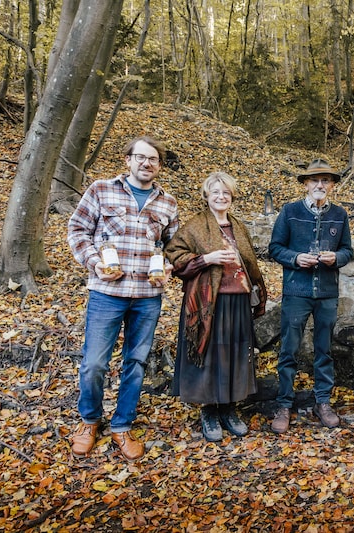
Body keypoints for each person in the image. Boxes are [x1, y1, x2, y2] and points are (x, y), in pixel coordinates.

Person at [67, 136, 178, 461]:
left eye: (153, 159)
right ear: (127, 160)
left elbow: (171, 245)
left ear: (158, 165)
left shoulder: (167, 202)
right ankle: (89, 421)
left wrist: (168, 266)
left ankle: (122, 425)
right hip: (107, 294)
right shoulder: (102, 190)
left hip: (147, 296)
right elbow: (77, 231)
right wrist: (94, 263)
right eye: (141, 157)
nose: (147, 164)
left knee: (136, 363)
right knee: (94, 364)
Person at [165, 172, 267, 442]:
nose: (221, 197)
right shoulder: (196, 226)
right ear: (206, 196)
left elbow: (250, 263)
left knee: (235, 355)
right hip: (209, 303)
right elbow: (174, 256)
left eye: (226, 193)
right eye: (216, 193)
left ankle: (229, 409)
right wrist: (206, 258)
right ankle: (209, 410)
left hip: (239, 300)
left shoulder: (238, 226)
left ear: (231, 197)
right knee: (210, 355)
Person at [267, 159, 354, 434]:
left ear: (331, 185)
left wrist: (335, 258)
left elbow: (348, 251)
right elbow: (274, 248)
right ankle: (283, 404)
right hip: (296, 291)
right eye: (315, 180)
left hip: (327, 292)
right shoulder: (290, 211)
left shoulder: (340, 214)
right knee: (289, 349)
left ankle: (323, 402)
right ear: (305, 183)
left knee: (324, 350)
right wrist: (295, 258)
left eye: (325, 180)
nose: (320, 185)